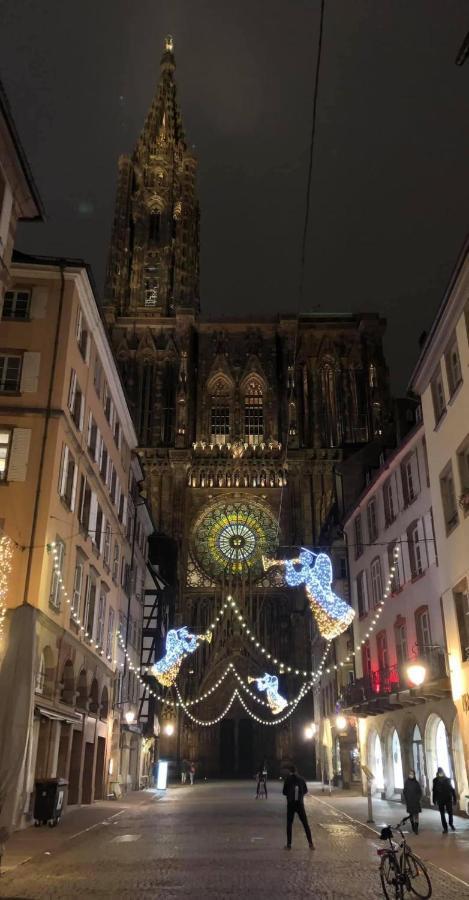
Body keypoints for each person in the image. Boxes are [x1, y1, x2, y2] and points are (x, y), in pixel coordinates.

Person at [282, 765, 314, 850]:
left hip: (291, 804)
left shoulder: (288, 779)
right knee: (305, 824)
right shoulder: (302, 779)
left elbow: (284, 792)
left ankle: (289, 844)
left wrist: (289, 794)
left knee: (289, 824)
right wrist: (300, 795)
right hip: (300, 804)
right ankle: (311, 843)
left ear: (290, 771)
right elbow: (306, 790)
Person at [432, 767, 457, 833]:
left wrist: (454, 798)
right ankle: (445, 828)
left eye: (441, 772)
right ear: (437, 773)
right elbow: (434, 790)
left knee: (450, 812)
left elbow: (452, 789)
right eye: (439, 772)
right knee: (442, 814)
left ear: (443, 772)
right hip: (440, 799)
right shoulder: (435, 780)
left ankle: (451, 824)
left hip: (448, 798)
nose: (440, 773)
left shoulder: (448, 779)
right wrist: (434, 799)